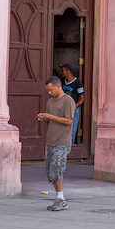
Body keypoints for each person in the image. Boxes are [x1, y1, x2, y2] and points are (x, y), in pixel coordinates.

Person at [38, 77, 75, 211]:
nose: (49, 92)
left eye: (51, 89)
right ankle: (59, 197)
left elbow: (69, 121)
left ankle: (61, 198)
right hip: (51, 140)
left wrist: (51, 117)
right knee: (50, 171)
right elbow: (51, 122)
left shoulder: (68, 101)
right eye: (48, 90)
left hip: (62, 141)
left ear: (58, 86)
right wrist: (44, 119)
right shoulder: (50, 102)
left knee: (57, 168)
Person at [59, 63, 84, 145]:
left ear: (68, 71)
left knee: (71, 132)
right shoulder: (62, 82)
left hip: (73, 111)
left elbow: (82, 98)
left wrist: (75, 105)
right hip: (62, 110)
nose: (61, 72)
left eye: (62, 70)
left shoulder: (78, 83)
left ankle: (70, 150)